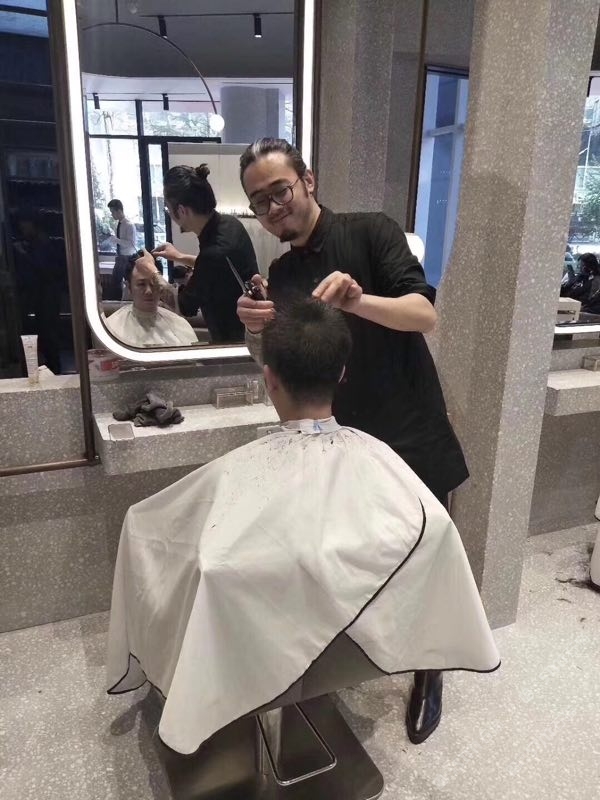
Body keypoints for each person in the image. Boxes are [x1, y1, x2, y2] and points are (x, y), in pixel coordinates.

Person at [106, 298, 500, 755]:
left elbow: (166, 539)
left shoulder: (243, 472)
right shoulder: (385, 462)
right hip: (355, 654)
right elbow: (432, 536)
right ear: (342, 374)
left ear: (269, 379)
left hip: (257, 650)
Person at [236, 138, 469, 744]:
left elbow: (424, 315)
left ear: (308, 180)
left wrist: (360, 299)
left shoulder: (372, 231)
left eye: (280, 191)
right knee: (356, 559)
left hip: (409, 426)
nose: (273, 208)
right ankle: (362, 650)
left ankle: (430, 670)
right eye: (259, 202)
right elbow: (290, 364)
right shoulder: (282, 274)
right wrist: (256, 330)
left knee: (424, 558)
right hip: (343, 442)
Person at [152, 164, 258, 343]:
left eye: (168, 209)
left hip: (235, 344)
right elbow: (216, 270)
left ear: (182, 211)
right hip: (246, 334)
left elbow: (183, 305)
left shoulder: (214, 253)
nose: (169, 214)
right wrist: (179, 257)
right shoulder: (230, 224)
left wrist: (152, 272)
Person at [104, 251, 197, 347]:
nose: (149, 291)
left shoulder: (179, 324)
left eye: (154, 283)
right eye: (141, 284)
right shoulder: (112, 328)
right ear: (129, 287)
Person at [13, 209, 67, 374]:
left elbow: (42, 268)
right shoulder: (37, 241)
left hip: (48, 293)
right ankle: (52, 367)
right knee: (46, 332)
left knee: (48, 332)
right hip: (45, 293)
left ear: (32, 224)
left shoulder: (42, 242)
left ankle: (54, 368)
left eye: (24, 225)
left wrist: (23, 253)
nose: (22, 228)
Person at [105, 199, 137, 301]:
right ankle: (118, 302)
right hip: (120, 256)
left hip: (127, 257)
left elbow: (131, 244)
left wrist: (117, 240)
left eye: (112, 212)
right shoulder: (118, 225)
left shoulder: (129, 225)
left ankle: (120, 302)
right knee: (116, 282)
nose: (112, 215)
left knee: (121, 282)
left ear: (119, 211)